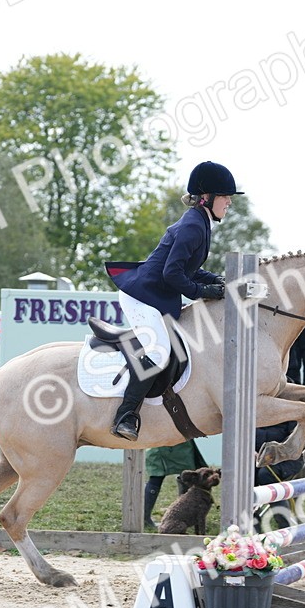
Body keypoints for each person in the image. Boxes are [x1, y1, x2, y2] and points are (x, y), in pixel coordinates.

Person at [104, 161, 239, 440]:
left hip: (155, 294)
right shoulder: (193, 225)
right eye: (225, 197)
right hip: (141, 297)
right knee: (157, 351)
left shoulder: (199, 222)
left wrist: (216, 280)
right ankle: (125, 416)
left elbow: (188, 270)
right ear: (207, 197)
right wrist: (205, 292)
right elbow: (172, 273)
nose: (228, 202)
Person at [143, 439, 206, 529]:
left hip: (170, 439)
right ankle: (144, 518)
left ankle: (184, 516)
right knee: (158, 476)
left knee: (184, 475)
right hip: (168, 438)